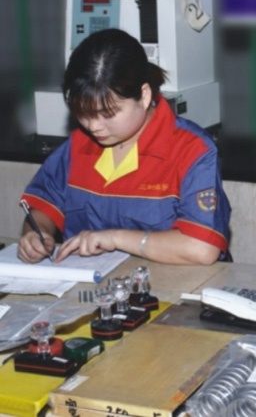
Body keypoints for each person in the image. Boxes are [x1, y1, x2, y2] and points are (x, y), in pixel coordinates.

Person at [18, 28, 230, 266]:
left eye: (108, 114)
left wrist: (115, 238)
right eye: (83, 113)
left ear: (144, 95)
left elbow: (202, 249)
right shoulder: (79, 145)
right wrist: (37, 234)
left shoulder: (192, 151)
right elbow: (43, 206)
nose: (94, 126)